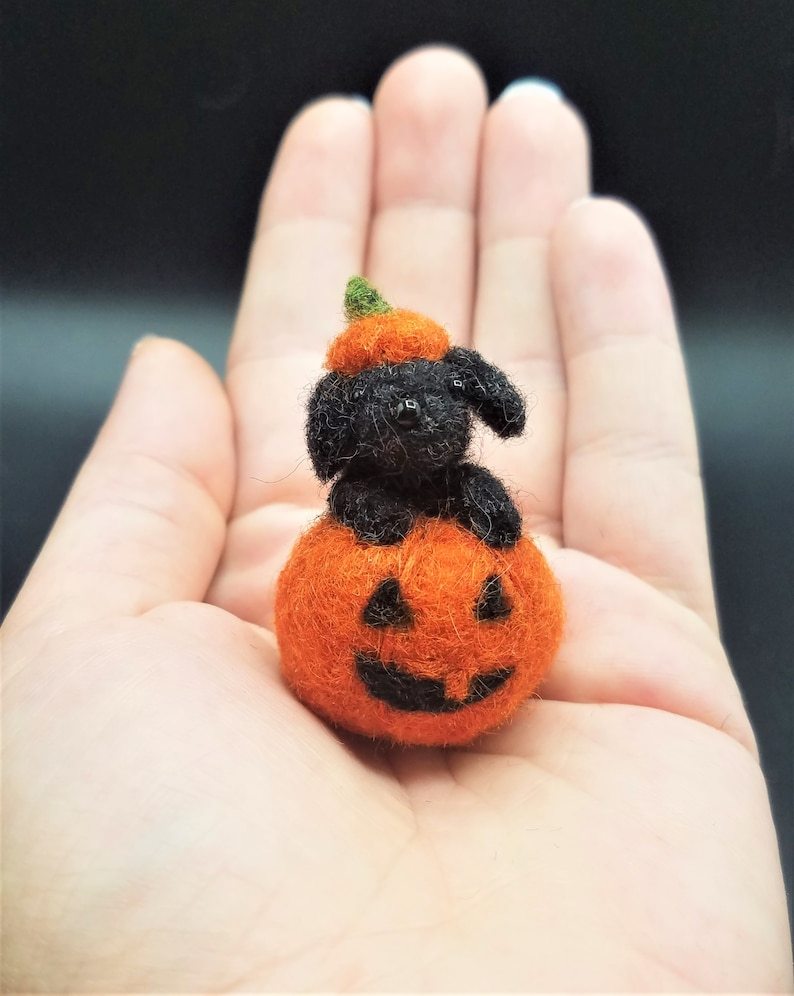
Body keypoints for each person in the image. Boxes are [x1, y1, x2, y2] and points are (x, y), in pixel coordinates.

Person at [2, 46, 790, 992]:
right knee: (392, 583)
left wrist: (488, 518)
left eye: (431, 404)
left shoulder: (478, 497)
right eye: (390, 410)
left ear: (467, 399)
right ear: (344, 425)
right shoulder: (349, 520)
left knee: (479, 573)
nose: (412, 421)